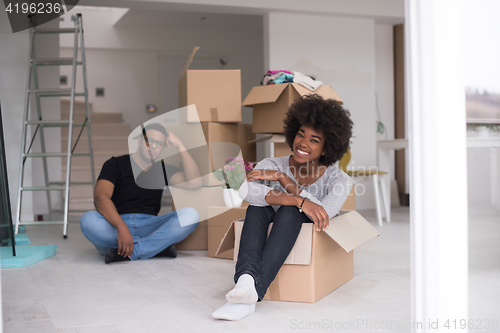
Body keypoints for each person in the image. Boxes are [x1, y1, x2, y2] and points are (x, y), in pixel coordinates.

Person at [212, 94, 354, 320]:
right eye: (300, 134)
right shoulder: (271, 164)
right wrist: (297, 199)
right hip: (266, 221)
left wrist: (284, 180)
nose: (303, 143)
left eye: (314, 140)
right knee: (257, 208)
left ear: (327, 148)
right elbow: (246, 191)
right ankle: (246, 280)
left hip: (294, 225)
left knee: (289, 211)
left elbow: (323, 214)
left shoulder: (339, 180)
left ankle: (252, 290)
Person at [80, 123, 202, 263]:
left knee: (191, 215)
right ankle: (155, 248)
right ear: (139, 141)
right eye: (150, 141)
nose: (154, 146)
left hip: (149, 225)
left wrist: (179, 145)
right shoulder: (115, 164)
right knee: (88, 220)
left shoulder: (163, 169)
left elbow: (195, 183)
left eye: (159, 143)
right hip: (116, 225)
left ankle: (130, 252)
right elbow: (100, 198)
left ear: (164, 147)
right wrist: (122, 227)